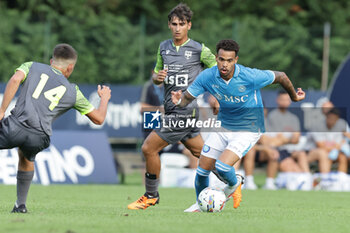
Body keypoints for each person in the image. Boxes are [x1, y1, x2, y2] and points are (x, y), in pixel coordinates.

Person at [171, 39, 305, 212]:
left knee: (222, 167)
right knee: (202, 169)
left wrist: (294, 97)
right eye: (221, 59)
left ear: (236, 60)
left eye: (229, 60)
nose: (224, 64)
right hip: (224, 125)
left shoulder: (250, 76)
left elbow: (281, 76)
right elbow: (187, 99)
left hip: (248, 128)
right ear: (217, 58)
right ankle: (201, 204)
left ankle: (236, 182)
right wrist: (178, 102)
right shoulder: (207, 76)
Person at [0, 43, 111, 213]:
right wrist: (104, 98)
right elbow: (99, 119)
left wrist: (2, 110)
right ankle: (20, 205)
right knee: (26, 157)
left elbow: (15, 79)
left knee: (23, 153)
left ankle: (20, 204)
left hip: (16, 125)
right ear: (71, 67)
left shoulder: (32, 66)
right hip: (39, 136)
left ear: (52, 61)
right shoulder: (73, 92)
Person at [128, 3, 216, 210]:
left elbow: (219, 71)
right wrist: (157, 78)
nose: (178, 28)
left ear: (189, 25)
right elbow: (156, 76)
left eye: (182, 24)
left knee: (148, 148)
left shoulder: (199, 49)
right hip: (172, 110)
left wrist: (216, 96)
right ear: (169, 25)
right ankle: (233, 180)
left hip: (184, 111)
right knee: (202, 154)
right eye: (174, 24)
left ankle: (151, 195)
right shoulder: (163, 47)